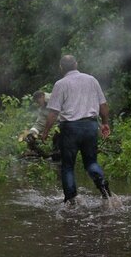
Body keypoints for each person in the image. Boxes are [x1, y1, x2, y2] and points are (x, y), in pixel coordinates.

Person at [40, 55, 114, 205]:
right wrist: (105, 123)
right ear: (76, 64)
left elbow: (53, 112)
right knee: (91, 162)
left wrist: (46, 131)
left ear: (61, 68)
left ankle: (71, 200)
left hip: (69, 129)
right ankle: (104, 188)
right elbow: (104, 106)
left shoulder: (60, 84)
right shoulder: (91, 80)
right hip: (90, 127)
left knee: (67, 166)